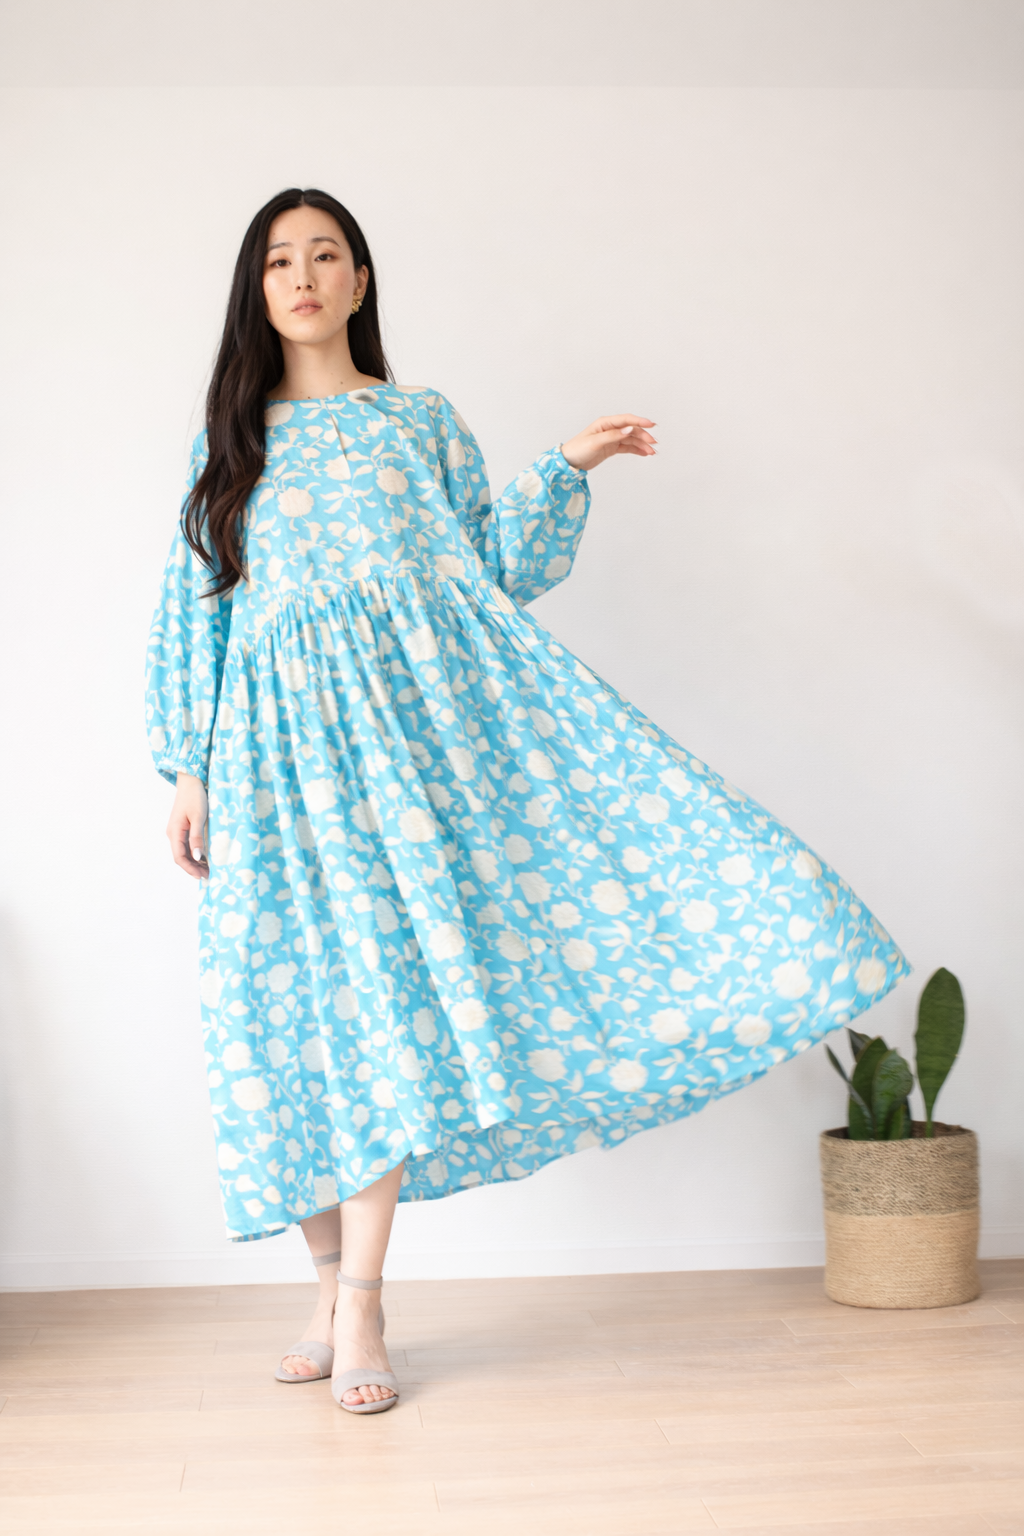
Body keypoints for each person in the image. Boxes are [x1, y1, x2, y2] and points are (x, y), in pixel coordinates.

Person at [146, 187, 908, 1415]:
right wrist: (189, 767)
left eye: (325, 254)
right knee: (276, 1024)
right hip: (273, 770)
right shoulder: (230, 444)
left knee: (383, 1010)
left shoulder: (415, 422)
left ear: (360, 280)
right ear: (259, 288)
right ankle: (324, 1280)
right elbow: (200, 612)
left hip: (402, 770)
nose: (303, 276)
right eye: (279, 259)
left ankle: (365, 1305)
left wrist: (566, 465)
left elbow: (489, 567)